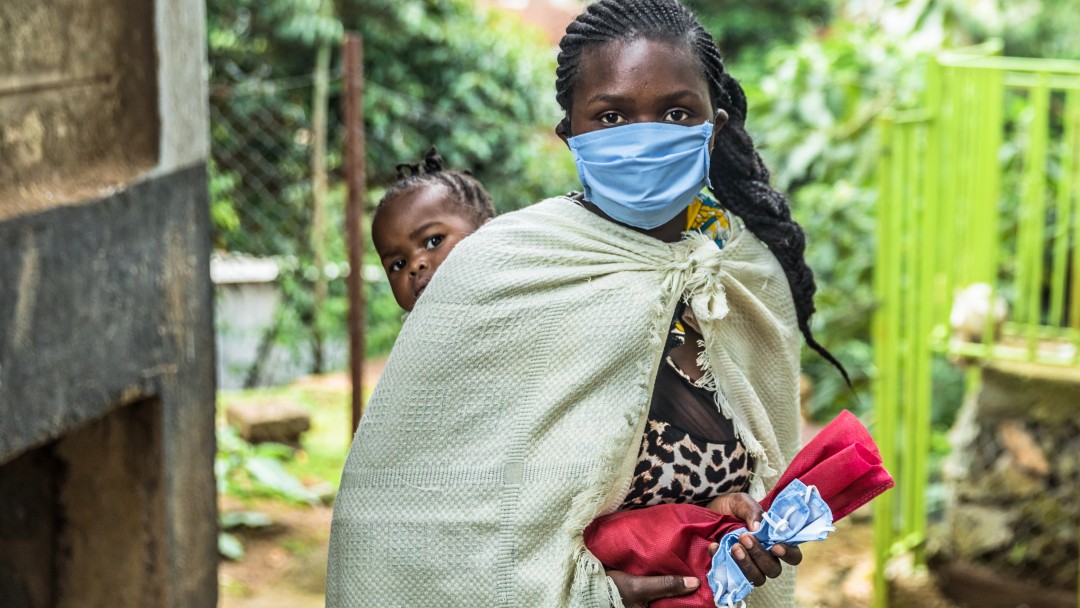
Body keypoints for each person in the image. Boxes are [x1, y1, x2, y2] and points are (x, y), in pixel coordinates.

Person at [325, 2, 846, 606]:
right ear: (569, 132)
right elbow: (402, 514)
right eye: (611, 116)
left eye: (677, 112)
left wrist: (734, 517)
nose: (644, 135)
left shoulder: (743, 277)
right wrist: (581, 594)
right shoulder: (500, 270)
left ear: (715, 125)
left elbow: (756, 475)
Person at [371, 146, 496, 312]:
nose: (415, 265)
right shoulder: (414, 335)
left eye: (433, 241)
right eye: (399, 264)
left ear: (486, 233)